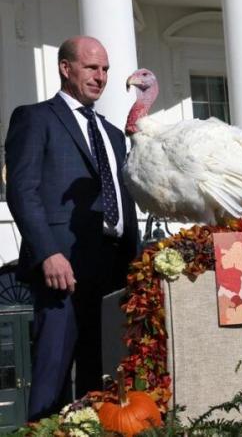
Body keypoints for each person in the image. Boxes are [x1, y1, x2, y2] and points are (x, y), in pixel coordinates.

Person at [5, 36, 138, 420]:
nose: (101, 76)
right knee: (53, 373)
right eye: (92, 67)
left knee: (104, 377)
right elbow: (23, 190)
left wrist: (135, 262)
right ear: (66, 68)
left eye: (106, 69)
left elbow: (123, 199)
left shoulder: (114, 134)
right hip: (62, 268)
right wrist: (47, 251)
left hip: (112, 269)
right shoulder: (35, 117)